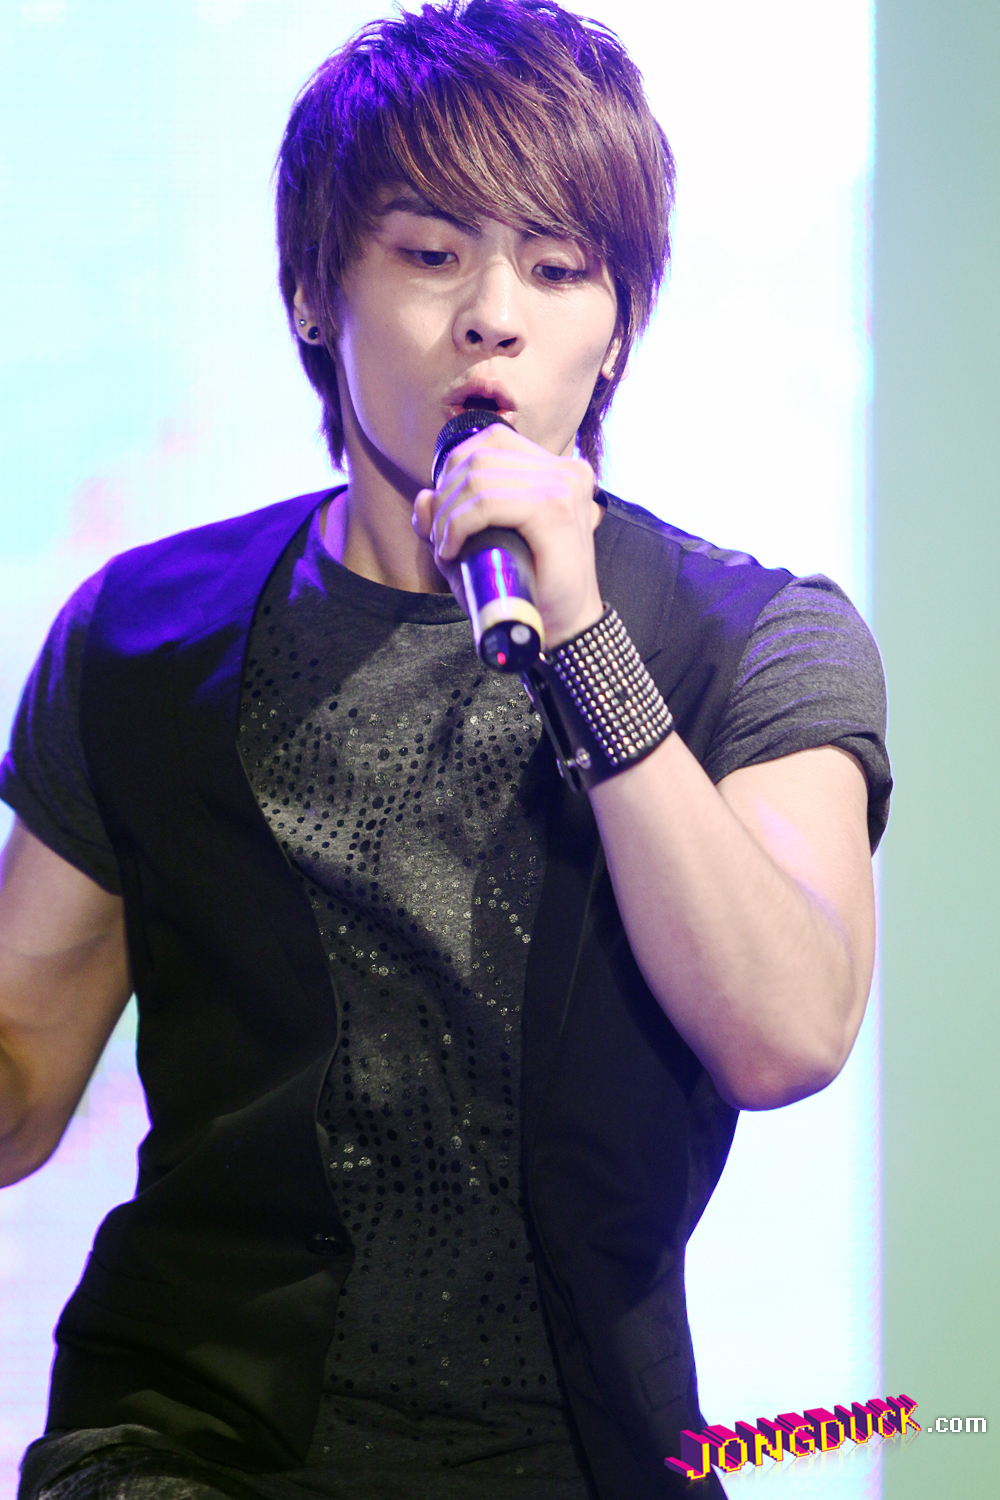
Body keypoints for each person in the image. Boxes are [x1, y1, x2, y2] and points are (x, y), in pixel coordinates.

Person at [0, 2, 891, 1497]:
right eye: (429, 254)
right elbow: (23, 1079)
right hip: (187, 1439)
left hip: (580, 1453)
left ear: (618, 326)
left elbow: (787, 1031)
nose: (493, 316)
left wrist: (584, 639)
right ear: (311, 288)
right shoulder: (145, 633)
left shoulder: (751, 638)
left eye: (558, 267)